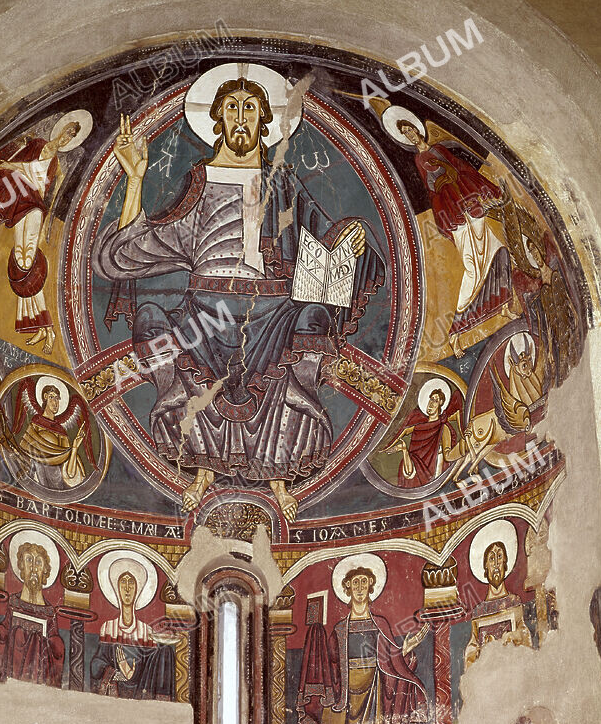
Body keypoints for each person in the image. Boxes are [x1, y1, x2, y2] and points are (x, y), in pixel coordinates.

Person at [92, 74, 385, 521]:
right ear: (216, 119)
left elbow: (327, 242)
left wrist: (354, 237)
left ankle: (281, 478)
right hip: (204, 314)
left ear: (265, 122)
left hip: (272, 312)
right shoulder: (197, 185)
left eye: (251, 109)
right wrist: (134, 180)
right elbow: (126, 255)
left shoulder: (281, 184)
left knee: (312, 318)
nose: (241, 118)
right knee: (151, 317)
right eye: (232, 109)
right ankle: (202, 467)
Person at [297, 564, 429, 724]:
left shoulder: (379, 624)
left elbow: (390, 662)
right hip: (345, 700)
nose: (359, 588)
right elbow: (331, 668)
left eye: (363, 583)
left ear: (371, 588)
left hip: (374, 695)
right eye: (354, 583)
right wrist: (315, 637)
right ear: (347, 589)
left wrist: (405, 650)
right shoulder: (339, 629)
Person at [398, 119, 512, 356]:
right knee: (471, 267)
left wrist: (484, 188)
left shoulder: (439, 149)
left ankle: (503, 306)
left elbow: (461, 168)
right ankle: (456, 331)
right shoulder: (418, 160)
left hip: (468, 201)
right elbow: (431, 189)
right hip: (451, 209)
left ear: (417, 130)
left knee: (498, 249)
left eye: (410, 129)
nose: (409, 135)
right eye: (405, 133)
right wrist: (442, 185)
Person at [0, 121, 81, 353]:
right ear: (60, 129)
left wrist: (47, 223)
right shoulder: (36, 144)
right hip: (20, 203)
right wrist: (10, 163)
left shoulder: (58, 167)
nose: (66, 138)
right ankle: (37, 326)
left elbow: (52, 196)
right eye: (67, 131)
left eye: (71, 136)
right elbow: (16, 164)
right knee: (19, 256)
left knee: (28, 258)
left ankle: (48, 328)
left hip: (35, 207)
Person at [90, 561, 177, 701]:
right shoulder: (108, 628)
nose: (127, 589)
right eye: (123, 583)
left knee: (166, 650)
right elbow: (96, 665)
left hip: (141, 692)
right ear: (116, 588)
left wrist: (132, 673)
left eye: (131, 583)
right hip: (116, 691)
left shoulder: (146, 631)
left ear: (138, 589)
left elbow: (151, 670)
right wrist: (118, 673)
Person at [0, 541, 65, 686]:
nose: (33, 568)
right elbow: (3, 634)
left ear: (45, 570)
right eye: (29, 560)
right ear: (21, 567)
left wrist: (52, 643)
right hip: (12, 676)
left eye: (38, 562)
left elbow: (57, 652)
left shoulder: (49, 612)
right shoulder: (13, 603)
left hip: (40, 679)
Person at [465, 540, 531, 669]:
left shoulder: (513, 601)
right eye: (491, 559)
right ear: (485, 568)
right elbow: (473, 644)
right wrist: (474, 654)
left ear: (505, 564)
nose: (496, 564)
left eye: (499, 557)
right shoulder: (479, 611)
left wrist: (513, 636)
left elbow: (523, 633)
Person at [12, 382, 89, 490]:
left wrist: (75, 448)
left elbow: (70, 473)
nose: (55, 402)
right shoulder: (36, 422)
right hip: (35, 477)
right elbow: (24, 449)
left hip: (57, 483)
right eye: (52, 397)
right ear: (45, 398)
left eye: (57, 398)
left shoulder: (60, 431)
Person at [385, 386, 462, 487]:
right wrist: (389, 444)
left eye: (435, 400)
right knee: (406, 463)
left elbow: (448, 456)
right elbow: (404, 431)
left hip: (432, 474)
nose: (431, 403)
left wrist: (464, 445)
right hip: (414, 468)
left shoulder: (443, 428)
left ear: (441, 404)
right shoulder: (418, 425)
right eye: (431, 399)